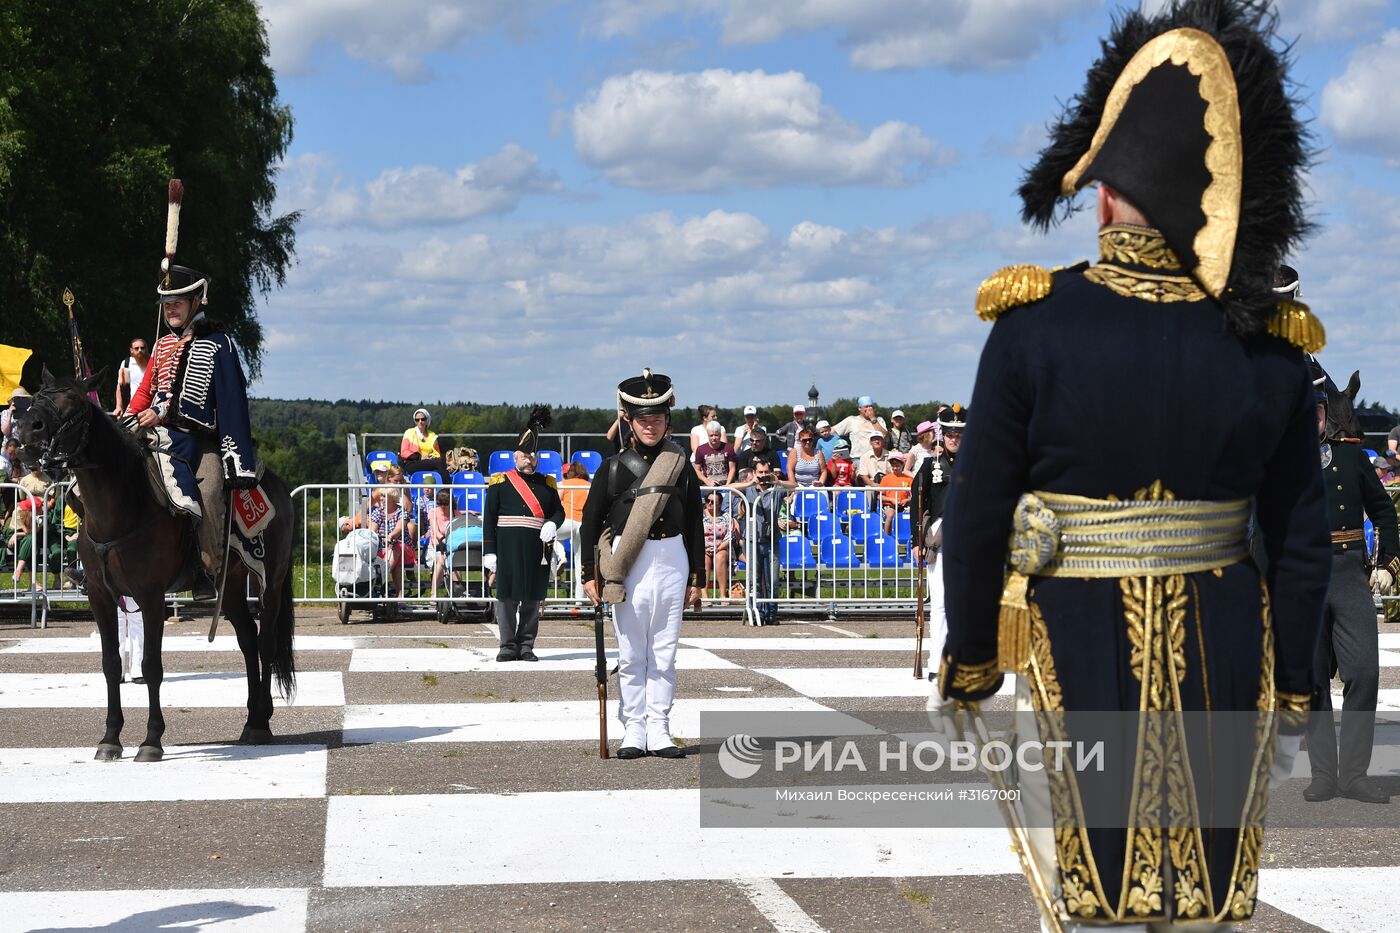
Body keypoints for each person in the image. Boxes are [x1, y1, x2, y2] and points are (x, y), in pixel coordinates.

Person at [934, 2, 1329, 927]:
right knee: (1208, 900)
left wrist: (973, 655)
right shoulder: (1272, 347)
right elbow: (1301, 531)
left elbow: (981, 505)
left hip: (1076, 635)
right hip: (1228, 646)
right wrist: (1301, 676)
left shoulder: (1034, 321)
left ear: (1107, 194)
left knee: (1083, 898)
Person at [127, 182, 258, 601]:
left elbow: (232, 404)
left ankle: (209, 570)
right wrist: (129, 418)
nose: (172, 308)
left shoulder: (218, 344)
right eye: (167, 302)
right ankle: (100, 558)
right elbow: (144, 394)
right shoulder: (162, 345)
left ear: (197, 300)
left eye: (179, 300)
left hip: (199, 442)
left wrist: (238, 459)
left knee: (209, 490)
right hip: (156, 436)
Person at [580, 369, 705, 758]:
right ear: (629, 423)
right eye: (642, 419)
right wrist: (590, 573)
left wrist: (697, 577)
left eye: (658, 418)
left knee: (664, 651)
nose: (651, 426)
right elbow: (590, 520)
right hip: (628, 561)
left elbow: (696, 522)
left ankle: (660, 727)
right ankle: (633, 726)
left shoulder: (681, 465)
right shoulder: (614, 468)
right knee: (632, 651)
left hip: (672, 558)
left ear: (669, 420)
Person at [1306, 360, 1400, 805]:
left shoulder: (1351, 457)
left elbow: (1384, 512)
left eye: (1319, 412)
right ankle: (1323, 774)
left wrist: (1386, 562)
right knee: (1311, 679)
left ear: (1328, 414)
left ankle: (1355, 774)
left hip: (1347, 572)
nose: (1314, 420)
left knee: (1363, 671)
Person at [482, 406, 564, 662]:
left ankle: (526, 644)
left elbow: (558, 512)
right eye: (525, 456)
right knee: (506, 598)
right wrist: (489, 551)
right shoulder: (500, 482)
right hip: (507, 546)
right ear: (516, 457)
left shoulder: (547, 484)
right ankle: (507, 645)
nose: (529, 460)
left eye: (533, 456)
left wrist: (552, 523)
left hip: (536, 548)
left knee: (532, 596)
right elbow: (489, 520)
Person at [909, 404, 964, 665]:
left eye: (959, 434)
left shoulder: (976, 466)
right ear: (943, 435)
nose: (954, 439)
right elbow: (917, 506)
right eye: (950, 434)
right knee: (941, 603)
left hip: (969, 543)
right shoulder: (930, 467)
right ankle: (937, 659)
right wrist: (916, 542)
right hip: (939, 542)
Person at [368, 487, 413, 597]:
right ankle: (399, 595)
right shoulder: (378, 512)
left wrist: (391, 535)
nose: (381, 499)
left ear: (393, 498)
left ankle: (381, 578)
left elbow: (399, 528)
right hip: (383, 549)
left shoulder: (401, 512)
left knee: (395, 546)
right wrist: (371, 534)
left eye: (384, 496)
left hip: (402, 548)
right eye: (381, 496)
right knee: (396, 563)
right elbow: (372, 528)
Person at [830, 395, 888, 464]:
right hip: (858, 459)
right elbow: (833, 430)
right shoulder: (851, 420)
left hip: (876, 458)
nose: (869, 409)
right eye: (866, 407)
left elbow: (884, 435)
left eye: (871, 406)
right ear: (859, 408)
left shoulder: (879, 420)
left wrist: (872, 418)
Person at [702, 492, 738, 598]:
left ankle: (723, 595)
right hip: (703, 548)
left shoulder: (726, 516)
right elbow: (695, 534)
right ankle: (704, 595)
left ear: (719, 504)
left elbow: (730, 535)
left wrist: (719, 547)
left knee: (720, 556)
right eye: (708, 501)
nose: (709, 503)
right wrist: (703, 548)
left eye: (713, 502)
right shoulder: (699, 515)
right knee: (704, 559)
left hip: (721, 548)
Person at [399, 408, 451, 479]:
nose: (420, 421)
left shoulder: (432, 435)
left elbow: (438, 454)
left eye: (423, 419)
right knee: (439, 464)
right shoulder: (409, 433)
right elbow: (404, 452)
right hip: (412, 463)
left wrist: (432, 456)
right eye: (417, 420)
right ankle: (448, 488)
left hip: (430, 462)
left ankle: (446, 487)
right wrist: (420, 457)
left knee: (441, 462)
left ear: (427, 420)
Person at [426, 489, 454, 598]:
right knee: (441, 561)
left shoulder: (454, 513)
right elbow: (436, 532)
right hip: (435, 546)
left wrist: (470, 513)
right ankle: (433, 593)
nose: (443, 506)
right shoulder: (433, 512)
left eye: (446, 503)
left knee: (454, 561)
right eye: (440, 503)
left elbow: (464, 514)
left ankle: (456, 594)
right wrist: (443, 539)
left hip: (451, 547)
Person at [877, 451, 913, 533]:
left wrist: (907, 500)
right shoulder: (886, 478)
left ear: (902, 465)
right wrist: (891, 500)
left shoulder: (908, 479)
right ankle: (887, 537)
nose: (895, 468)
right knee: (890, 515)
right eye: (893, 466)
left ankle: (908, 536)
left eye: (897, 466)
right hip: (889, 505)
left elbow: (913, 495)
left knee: (911, 514)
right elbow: (879, 496)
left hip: (904, 505)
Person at [113, 337, 149, 417]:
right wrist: (118, 406)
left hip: (149, 408)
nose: (140, 350)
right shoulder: (126, 363)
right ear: (131, 350)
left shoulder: (152, 364)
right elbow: (120, 386)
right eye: (136, 348)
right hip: (132, 407)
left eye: (142, 348)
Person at [692, 422, 736, 486]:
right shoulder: (700, 449)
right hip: (709, 485)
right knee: (712, 496)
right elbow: (697, 470)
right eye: (711, 435)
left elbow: (732, 468)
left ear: (720, 435)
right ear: (707, 435)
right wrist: (707, 481)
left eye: (716, 435)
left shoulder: (728, 448)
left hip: (726, 483)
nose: (714, 438)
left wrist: (727, 484)